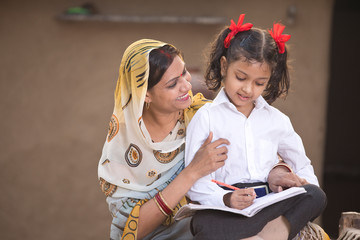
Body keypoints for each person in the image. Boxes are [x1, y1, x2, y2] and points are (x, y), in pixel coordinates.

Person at [97, 38, 312, 240]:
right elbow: (131, 230)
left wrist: (278, 169)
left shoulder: (202, 114)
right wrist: (191, 173)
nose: (186, 86)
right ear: (145, 94)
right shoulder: (123, 150)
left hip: (223, 225)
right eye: (173, 84)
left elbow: (253, 152)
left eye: (185, 73)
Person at [185, 14, 328, 240]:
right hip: (226, 208)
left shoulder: (277, 120)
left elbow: (303, 167)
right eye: (241, 77)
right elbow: (194, 183)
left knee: (315, 196)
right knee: (204, 224)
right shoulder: (206, 118)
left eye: (259, 83)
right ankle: (271, 235)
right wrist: (227, 200)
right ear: (224, 67)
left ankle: (257, 235)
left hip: (268, 204)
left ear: (269, 80)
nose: (248, 89)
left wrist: (295, 179)